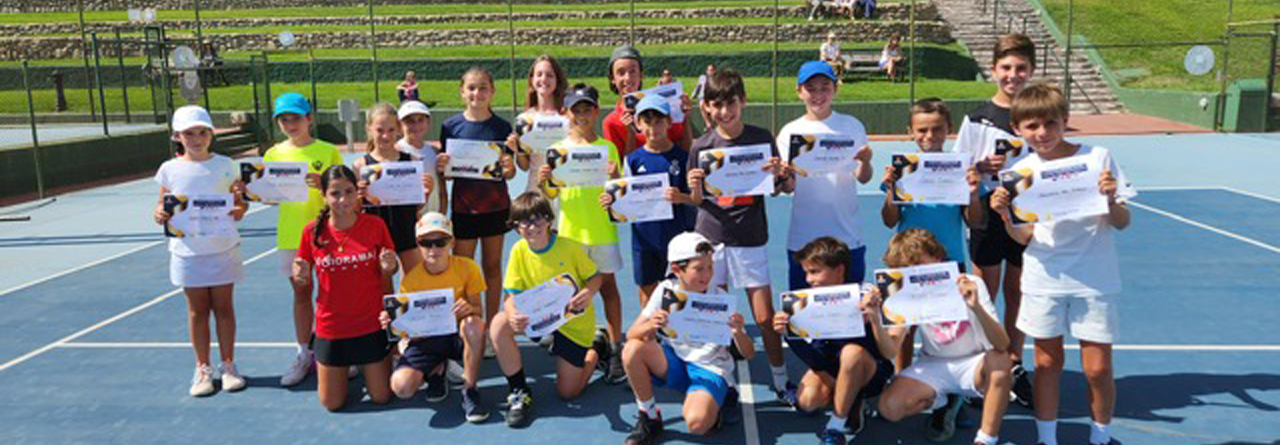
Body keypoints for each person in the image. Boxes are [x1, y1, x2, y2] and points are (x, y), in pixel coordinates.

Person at [991, 83, 1134, 445]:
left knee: (1098, 369)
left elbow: (1121, 221)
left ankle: (1100, 438)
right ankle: (1047, 439)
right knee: (1045, 364)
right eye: (1032, 126)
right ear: (1017, 129)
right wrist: (1007, 217)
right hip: (1045, 277)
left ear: (1065, 121)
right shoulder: (1020, 172)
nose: (1042, 133)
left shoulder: (1098, 157)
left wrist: (1111, 198)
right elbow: (1025, 238)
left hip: (1095, 277)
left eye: (1051, 124)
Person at [689, 68, 794, 401]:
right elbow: (696, 201)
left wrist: (781, 175)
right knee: (716, 317)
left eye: (730, 103)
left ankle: (781, 379)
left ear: (743, 101)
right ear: (706, 108)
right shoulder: (701, 146)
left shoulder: (762, 138)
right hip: (712, 240)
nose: (724, 111)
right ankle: (723, 381)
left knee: (764, 317)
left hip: (749, 238)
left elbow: (779, 189)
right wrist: (694, 187)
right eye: (716, 105)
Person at [950, 33, 1039, 407]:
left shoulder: (1037, 115)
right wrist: (979, 167)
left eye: (1021, 68)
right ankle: (986, 360)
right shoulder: (977, 120)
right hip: (986, 214)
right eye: (1006, 68)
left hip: (1028, 214)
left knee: (1019, 291)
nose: (1013, 75)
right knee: (985, 292)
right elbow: (957, 170)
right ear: (993, 70)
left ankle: (1014, 362)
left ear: (1032, 70)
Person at [874, 229, 1013, 445]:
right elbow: (890, 351)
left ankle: (986, 438)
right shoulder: (902, 292)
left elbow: (1002, 344)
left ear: (938, 258)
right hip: (934, 364)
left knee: (1001, 361)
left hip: (974, 364)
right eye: (905, 269)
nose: (913, 273)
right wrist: (875, 318)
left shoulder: (971, 283)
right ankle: (944, 402)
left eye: (918, 265)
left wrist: (976, 307)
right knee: (889, 409)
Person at [880, 98, 984, 372]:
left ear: (948, 129)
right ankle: (901, 377)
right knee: (904, 328)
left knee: (950, 330)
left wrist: (973, 195)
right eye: (922, 130)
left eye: (937, 129)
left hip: (949, 260)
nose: (929, 136)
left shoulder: (961, 169)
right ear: (910, 132)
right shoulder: (902, 171)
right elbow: (889, 220)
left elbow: (975, 220)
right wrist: (892, 192)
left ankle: (953, 392)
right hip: (907, 262)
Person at [621, 232, 755, 444]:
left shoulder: (720, 298)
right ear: (677, 269)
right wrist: (652, 324)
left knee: (697, 424)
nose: (707, 275)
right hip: (675, 361)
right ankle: (650, 417)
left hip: (709, 367)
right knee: (632, 349)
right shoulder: (665, 291)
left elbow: (748, 353)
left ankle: (722, 396)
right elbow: (631, 334)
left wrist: (738, 332)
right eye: (699, 269)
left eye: (710, 267)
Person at [153, 105, 248, 397]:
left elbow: (241, 205)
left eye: (202, 132)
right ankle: (202, 368)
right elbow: (162, 206)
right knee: (197, 312)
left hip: (222, 248)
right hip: (187, 251)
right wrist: (159, 214)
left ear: (211, 134)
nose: (196, 138)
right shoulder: (168, 170)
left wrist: (238, 209)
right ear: (177, 136)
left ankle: (228, 365)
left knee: (223, 308)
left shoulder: (227, 165)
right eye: (189, 133)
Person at [489, 192, 607, 428]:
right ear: (516, 227)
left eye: (538, 219)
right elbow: (511, 294)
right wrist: (512, 313)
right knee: (499, 324)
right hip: (539, 318)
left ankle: (595, 349)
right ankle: (519, 391)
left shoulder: (569, 247)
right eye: (524, 221)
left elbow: (596, 277)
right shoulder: (518, 251)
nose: (532, 227)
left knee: (568, 393)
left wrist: (589, 292)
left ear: (549, 220)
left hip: (573, 324)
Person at [536, 83, 628, 384]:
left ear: (596, 110)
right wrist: (545, 180)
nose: (582, 114)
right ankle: (575, 345)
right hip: (571, 233)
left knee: (608, 289)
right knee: (569, 292)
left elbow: (620, 193)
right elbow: (550, 193)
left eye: (587, 108)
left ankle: (615, 348)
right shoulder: (558, 151)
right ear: (566, 112)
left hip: (601, 232)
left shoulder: (609, 148)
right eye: (576, 109)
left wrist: (615, 180)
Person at [292, 165, 398, 411]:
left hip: (369, 324)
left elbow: (388, 272)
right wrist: (301, 276)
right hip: (332, 327)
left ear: (357, 193)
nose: (343, 200)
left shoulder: (375, 226)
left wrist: (389, 266)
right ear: (324, 195)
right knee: (332, 403)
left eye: (349, 192)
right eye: (335, 193)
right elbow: (302, 279)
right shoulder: (311, 232)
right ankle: (346, 367)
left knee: (381, 397)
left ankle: (370, 364)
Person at [770, 238, 896, 445]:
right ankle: (852, 399)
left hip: (871, 371)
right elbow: (817, 360)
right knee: (807, 402)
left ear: (839, 270)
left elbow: (886, 352)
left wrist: (874, 316)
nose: (808, 279)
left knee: (851, 352)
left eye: (814, 271)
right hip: (832, 367)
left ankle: (835, 427)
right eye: (806, 272)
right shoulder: (804, 303)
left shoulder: (868, 295)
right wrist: (789, 334)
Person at [265, 93, 345, 388]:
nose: (290, 124)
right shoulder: (273, 154)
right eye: (284, 119)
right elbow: (270, 197)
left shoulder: (327, 151)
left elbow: (342, 190)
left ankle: (335, 351)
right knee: (301, 295)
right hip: (291, 236)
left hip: (326, 233)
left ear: (309, 118)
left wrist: (322, 184)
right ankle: (304, 353)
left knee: (332, 295)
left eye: (296, 118)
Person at [437, 67, 518, 353]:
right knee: (464, 271)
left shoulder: (502, 127)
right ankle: (468, 325)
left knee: (493, 268)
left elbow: (507, 173)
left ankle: (492, 327)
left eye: (483, 87)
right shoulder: (450, 127)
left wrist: (509, 168)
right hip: (464, 209)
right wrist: (442, 166)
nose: (477, 93)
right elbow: (447, 174)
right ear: (462, 91)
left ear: (492, 91)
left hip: (496, 208)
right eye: (471, 88)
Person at [381, 212, 490, 423]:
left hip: (458, 335)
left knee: (474, 326)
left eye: (440, 242)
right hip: (427, 340)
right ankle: (437, 369)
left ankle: (470, 389)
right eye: (426, 242)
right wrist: (393, 324)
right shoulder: (411, 280)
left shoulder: (468, 268)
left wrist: (469, 308)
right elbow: (406, 330)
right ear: (418, 244)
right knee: (401, 387)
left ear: (452, 242)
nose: (433, 249)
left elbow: (479, 310)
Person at [777, 61, 873, 296]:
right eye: (811, 88)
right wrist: (785, 174)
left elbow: (863, 178)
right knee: (805, 318)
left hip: (847, 237)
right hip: (804, 239)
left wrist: (866, 161)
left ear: (835, 89)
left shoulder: (851, 126)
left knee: (851, 315)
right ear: (799, 92)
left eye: (825, 87)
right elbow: (788, 188)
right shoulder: (790, 132)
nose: (818, 94)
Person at [601, 94, 700, 307]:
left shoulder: (682, 157)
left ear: (668, 123)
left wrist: (680, 197)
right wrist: (612, 196)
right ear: (637, 124)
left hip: (676, 237)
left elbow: (696, 200)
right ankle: (649, 336)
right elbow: (624, 200)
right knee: (647, 289)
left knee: (679, 290)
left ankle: (677, 337)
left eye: (658, 121)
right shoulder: (633, 159)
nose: (653, 128)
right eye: (647, 121)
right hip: (644, 239)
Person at [353, 102, 435, 279]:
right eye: (380, 130)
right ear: (369, 129)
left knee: (415, 285)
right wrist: (358, 196)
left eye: (391, 130)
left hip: (406, 230)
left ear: (398, 129)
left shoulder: (411, 161)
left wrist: (426, 193)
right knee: (382, 289)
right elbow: (357, 210)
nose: (385, 136)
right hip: (375, 235)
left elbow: (417, 206)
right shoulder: (361, 165)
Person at [602, 45, 695, 157]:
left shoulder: (662, 109)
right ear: (612, 78)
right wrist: (630, 132)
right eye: (621, 73)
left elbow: (685, 150)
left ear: (641, 75)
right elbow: (621, 166)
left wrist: (685, 116)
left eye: (633, 71)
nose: (627, 78)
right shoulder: (611, 122)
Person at [510, 55, 569, 197]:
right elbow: (524, 166)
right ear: (531, 80)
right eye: (539, 74)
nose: (544, 79)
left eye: (549, 75)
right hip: (536, 191)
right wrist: (517, 149)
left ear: (557, 80)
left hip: (565, 190)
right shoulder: (524, 119)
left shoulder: (567, 116)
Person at [396, 100, 448, 215]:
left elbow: (442, 191)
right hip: (407, 220)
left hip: (433, 220)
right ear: (400, 125)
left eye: (420, 120)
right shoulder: (396, 151)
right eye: (410, 121)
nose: (416, 125)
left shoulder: (434, 152)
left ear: (428, 123)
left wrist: (442, 214)